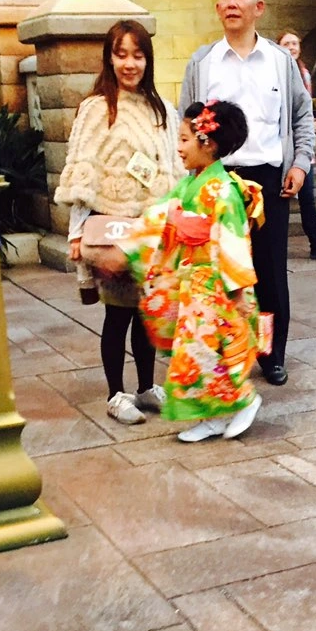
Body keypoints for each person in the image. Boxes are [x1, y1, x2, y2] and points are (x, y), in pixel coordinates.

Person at [88, 100, 264, 443]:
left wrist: (238, 291)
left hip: (218, 286)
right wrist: (125, 251)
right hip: (194, 281)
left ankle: (245, 400)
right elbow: (158, 216)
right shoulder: (191, 184)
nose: (178, 148)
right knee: (195, 355)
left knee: (212, 353)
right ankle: (211, 417)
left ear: (207, 143)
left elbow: (234, 244)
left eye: (184, 140)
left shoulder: (223, 191)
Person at [180, 0, 316, 387]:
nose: (231, 3)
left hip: (269, 181)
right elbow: (187, 122)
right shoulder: (202, 63)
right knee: (218, 273)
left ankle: (270, 353)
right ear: (217, 7)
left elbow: (302, 116)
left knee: (269, 275)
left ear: (259, 7)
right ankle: (224, 351)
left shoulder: (280, 61)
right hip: (217, 182)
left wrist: (300, 164)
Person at [55, 19, 183, 424]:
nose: (130, 64)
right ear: (109, 59)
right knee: (118, 316)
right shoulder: (96, 109)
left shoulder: (162, 109)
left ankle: (146, 386)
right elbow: (83, 174)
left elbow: (174, 168)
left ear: (148, 59)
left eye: (138, 55)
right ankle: (115, 393)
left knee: (148, 313)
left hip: (153, 232)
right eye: (121, 54)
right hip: (114, 230)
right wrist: (77, 233)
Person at [277, 29, 316, 261]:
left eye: (295, 43)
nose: (292, 47)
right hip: (282, 148)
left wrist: (309, 123)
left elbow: (304, 107)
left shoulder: (304, 73)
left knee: (307, 198)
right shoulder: (274, 73)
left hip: (302, 151)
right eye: (287, 43)